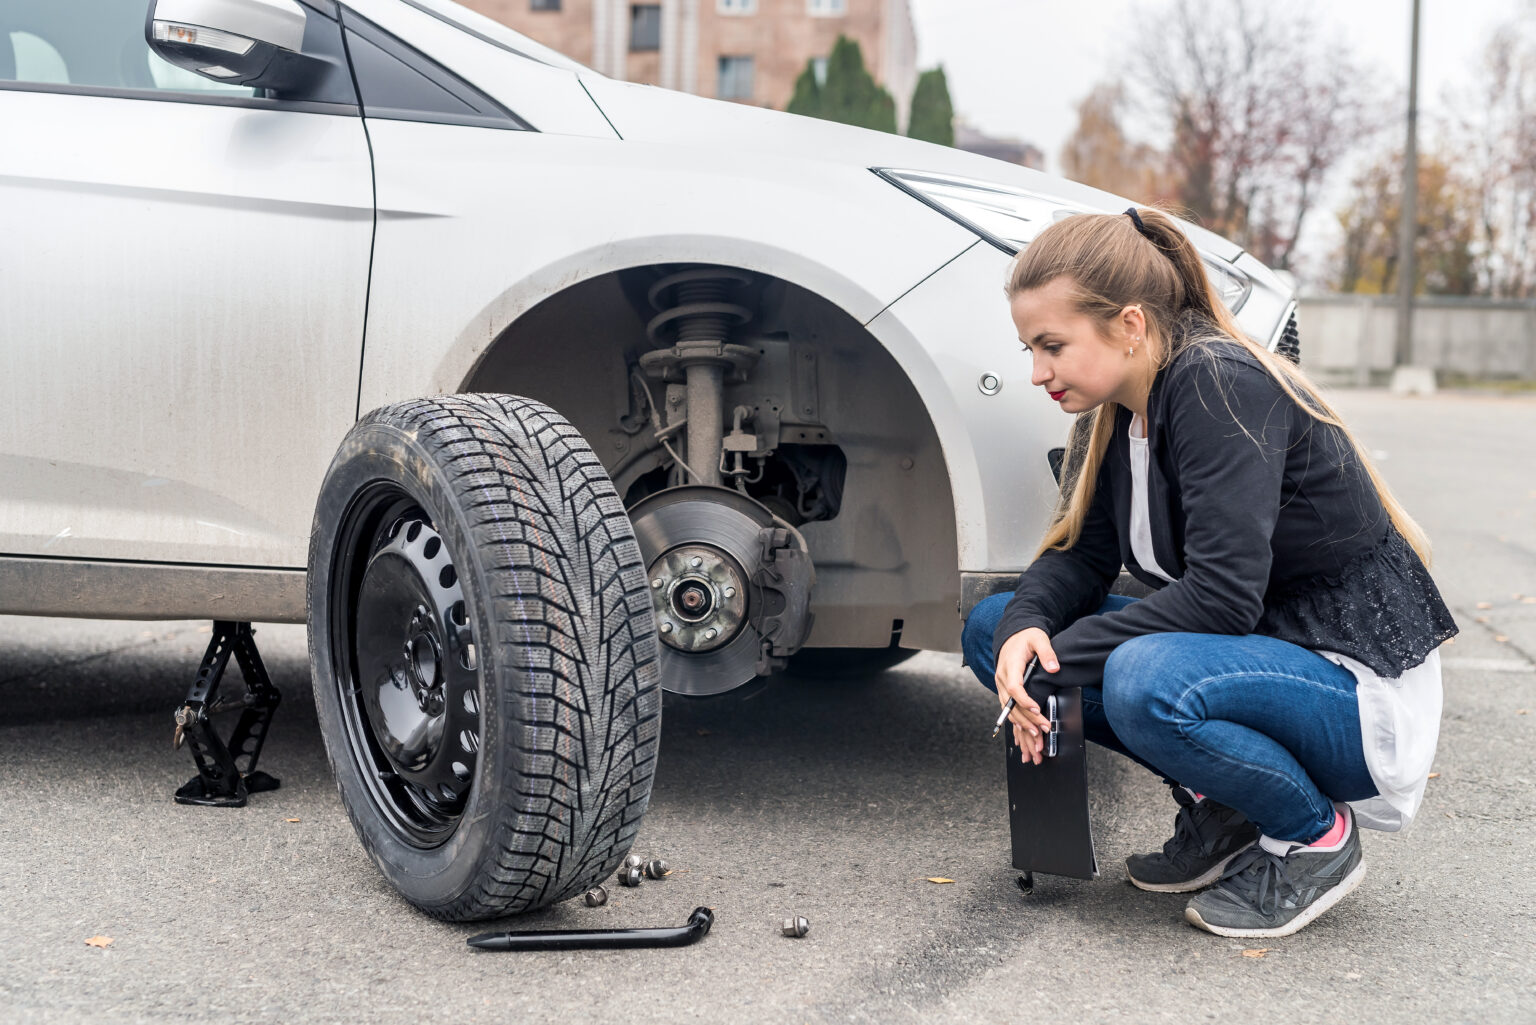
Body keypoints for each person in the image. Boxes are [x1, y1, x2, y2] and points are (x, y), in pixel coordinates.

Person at [961, 207, 1457, 938]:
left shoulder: (1216, 383)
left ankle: (1312, 836)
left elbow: (1223, 598)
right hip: (1252, 664)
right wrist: (1028, 631)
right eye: (1031, 347)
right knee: (991, 629)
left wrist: (1058, 656)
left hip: (1352, 693)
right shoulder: (1118, 410)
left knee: (1140, 675)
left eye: (1052, 345)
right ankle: (1225, 811)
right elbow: (1083, 555)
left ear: (1129, 324)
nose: (1037, 371)